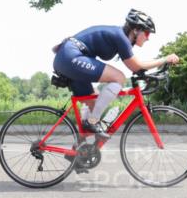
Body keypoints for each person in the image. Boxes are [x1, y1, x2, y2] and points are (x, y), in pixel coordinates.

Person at [52, 9, 179, 139]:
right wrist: (165, 59)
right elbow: (136, 66)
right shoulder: (120, 36)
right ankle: (93, 122)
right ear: (135, 30)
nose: (148, 38)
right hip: (70, 57)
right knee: (119, 77)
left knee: (92, 104)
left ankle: (80, 151)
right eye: (146, 33)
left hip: (66, 58)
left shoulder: (120, 37)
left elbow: (137, 68)